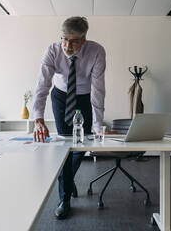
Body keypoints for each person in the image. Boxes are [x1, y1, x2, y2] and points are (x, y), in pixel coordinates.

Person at [32, 16, 106, 219]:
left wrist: (99, 124)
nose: (67, 45)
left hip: (83, 97)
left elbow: (98, 89)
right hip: (61, 97)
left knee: (81, 146)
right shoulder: (53, 50)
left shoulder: (96, 51)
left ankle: (66, 178)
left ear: (84, 39)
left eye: (73, 41)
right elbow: (42, 85)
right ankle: (64, 200)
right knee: (65, 147)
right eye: (64, 39)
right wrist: (38, 119)